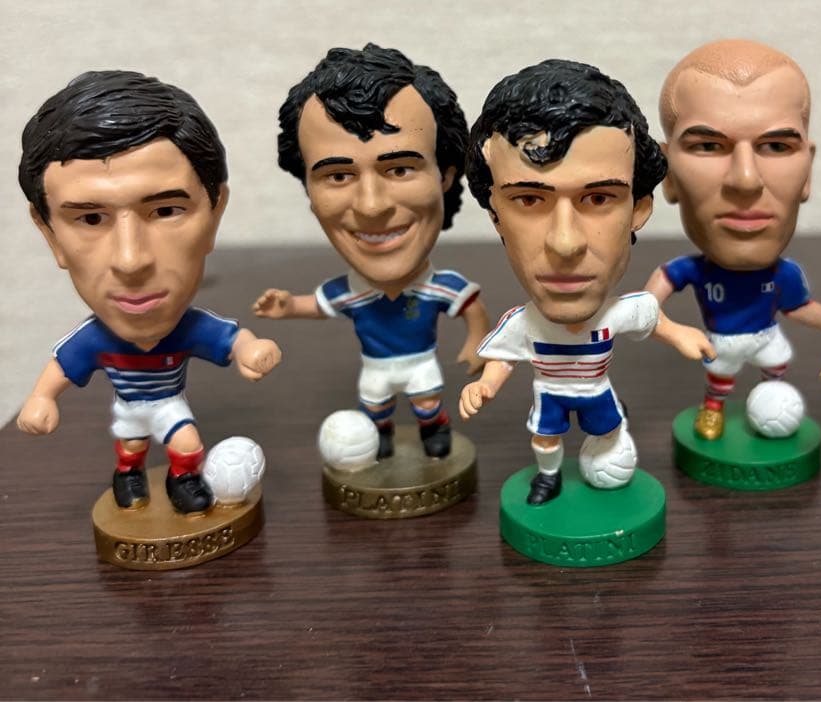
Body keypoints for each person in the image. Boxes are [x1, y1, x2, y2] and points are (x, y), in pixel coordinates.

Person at [16, 70, 281, 514]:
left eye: (165, 210)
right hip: (129, 410)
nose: (131, 259)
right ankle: (128, 475)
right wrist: (41, 399)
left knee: (186, 440)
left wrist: (253, 350)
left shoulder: (187, 328)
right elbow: (61, 368)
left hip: (169, 404)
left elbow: (233, 339)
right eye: (91, 219)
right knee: (131, 446)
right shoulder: (95, 339)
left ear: (214, 215)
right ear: (50, 234)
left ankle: (183, 479)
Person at [459, 59, 714, 505]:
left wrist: (680, 334)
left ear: (639, 207)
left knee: (609, 428)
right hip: (551, 395)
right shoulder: (523, 324)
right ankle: (548, 477)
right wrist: (485, 385)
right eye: (529, 199)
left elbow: (652, 319)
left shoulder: (619, 312)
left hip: (596, 390)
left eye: (598, 198)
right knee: (545, 437)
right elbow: (504, 358)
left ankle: (609, 446)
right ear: (494, 213)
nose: (565, 243)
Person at [254, 45, 489, 459]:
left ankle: (433, 427)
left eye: (399, 169)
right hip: (377, 367)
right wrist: (288, 306)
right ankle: (379, 434)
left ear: (446, 175)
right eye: (338, 175)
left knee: (427, 400)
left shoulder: (438, 286)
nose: (371, 206)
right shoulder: (349, 291)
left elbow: (470, 306)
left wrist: (477, 340)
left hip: (420, 363)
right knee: (375, 403)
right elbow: (318, 305)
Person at [644, 39, 821, 440]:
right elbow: (648, 305)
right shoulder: (693, 271)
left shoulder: (785, 275)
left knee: (776, 363)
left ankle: (770, 398)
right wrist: (665, 327)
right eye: (708, 146)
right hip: (724, 342)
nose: (745, 180)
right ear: (667, 174)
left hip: (764, 336)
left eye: (775, 146)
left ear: (808, 172)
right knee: (721, 374)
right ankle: (714, 407)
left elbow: (801, 308)